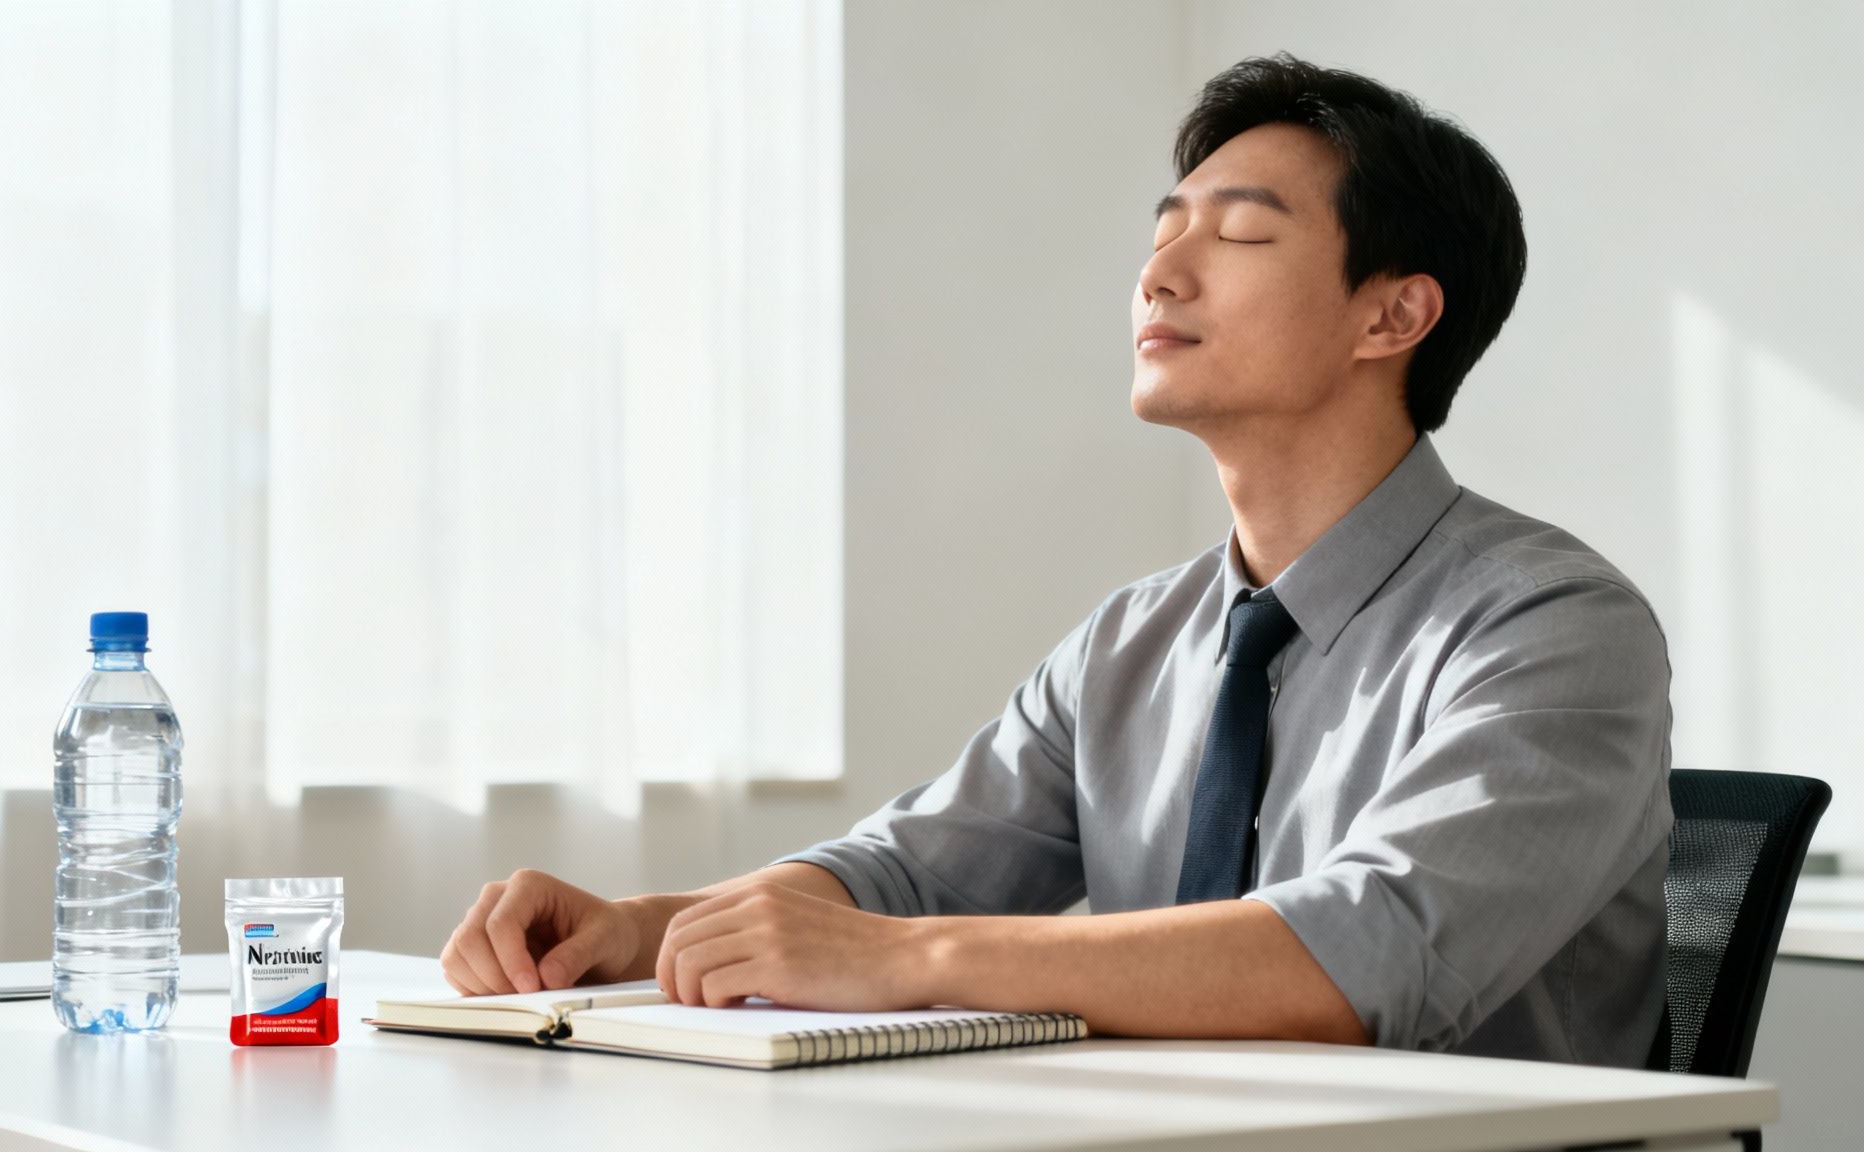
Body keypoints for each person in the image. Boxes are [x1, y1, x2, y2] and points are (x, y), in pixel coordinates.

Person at [440, 53, 1672, 1067]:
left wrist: (904, 965)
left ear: (1391, 314)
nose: (1158, 273)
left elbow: (1372, 955)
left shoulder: (1553, 626)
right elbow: (910, 871)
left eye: (1235, 236)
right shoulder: (1135, 639)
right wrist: (647, 929)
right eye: (1160, 233)